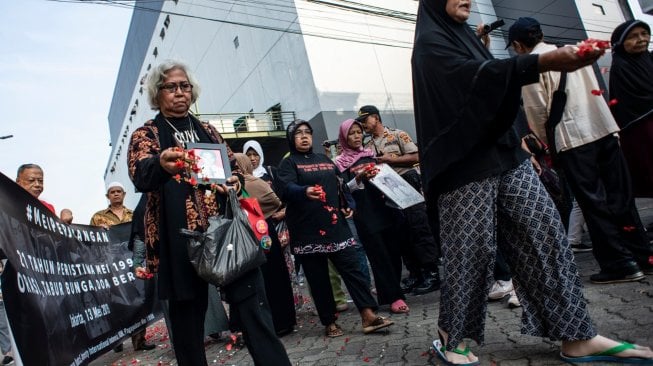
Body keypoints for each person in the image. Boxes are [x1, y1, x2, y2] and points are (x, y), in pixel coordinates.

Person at [411, 1, 653, 364]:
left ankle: (576, 334)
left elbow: (496, 85)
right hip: (464, 163)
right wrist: (542, 62)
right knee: (472, 250)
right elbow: (472, 79)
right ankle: (453, 337)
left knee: (545, 235)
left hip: (508, 153)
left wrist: (521, 135)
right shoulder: (430, 43)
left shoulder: (465, 36)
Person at [127, 60, 290, 366]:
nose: (179, 93)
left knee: (254, 310)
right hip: (180, 241)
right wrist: (161, 163)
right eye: (171, 87)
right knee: (188, 325)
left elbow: (235, 171)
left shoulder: (210, 132)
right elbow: (140, 173)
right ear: (157, 92)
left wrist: (234, 180)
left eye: (185, 86)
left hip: (227, 232)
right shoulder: (146, 134)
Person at [509, 17, 653, 282]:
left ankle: (620, 264)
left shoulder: (532, 67)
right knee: (621, 198)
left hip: (573, 140)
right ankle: (644, 255)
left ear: (518, 45)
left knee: (594, 204)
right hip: (604, 129)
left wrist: (546, 144)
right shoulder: (573, 51)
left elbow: (537, 112)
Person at [276, 119, 393, 338]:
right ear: (291, 138)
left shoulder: (324, 159)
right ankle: (329, 321)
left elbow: (339, 184)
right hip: (307, 230)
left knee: (353, 271)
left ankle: (368, 315)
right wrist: (304, 190)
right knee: (319, 279)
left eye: (307, 133)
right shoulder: (288, 164)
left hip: (335, 226)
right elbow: (286, 188)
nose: (304, 137)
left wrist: (348, 204)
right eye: (298, 133)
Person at [358, 105, 441, 295]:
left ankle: (431, 274)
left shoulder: (397, 135)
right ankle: (415, 274)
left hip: (406, 182)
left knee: (418, 227)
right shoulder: (368, 146)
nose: (363, 125)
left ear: (376, 118)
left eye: (366, 120)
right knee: (401, 233)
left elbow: (417, 156)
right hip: (386, 188)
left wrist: (391, 160)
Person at [335, 118, 409, 314]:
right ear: (344, 137)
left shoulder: (371, 155)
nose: (357, 136)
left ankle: (391, 292)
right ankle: (394, 297)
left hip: (385, 208)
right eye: (352, 133)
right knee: (379, 255)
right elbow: (343, 191)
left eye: (359, 132)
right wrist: (358, 179)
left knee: (393, 252)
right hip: (364, 214)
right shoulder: (340, 163)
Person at [232, 153, 297, 336]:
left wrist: (252, 208)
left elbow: (274, 201)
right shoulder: (249, 181)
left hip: (253, 234)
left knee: (265, 277)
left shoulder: (245, 182)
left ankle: (271, 323)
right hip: (262, 230)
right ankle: (283, 321)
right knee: (273, 276)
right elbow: (273, 202)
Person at [89, 182, 155, 352]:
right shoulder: (98, 217)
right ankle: (116, 340)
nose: (116, 194)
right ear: (107, 196)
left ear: (124, 194)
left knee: (138, 301)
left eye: (119, 191)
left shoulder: (134, 214)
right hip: (112, 268)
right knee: (117, 303)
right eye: (112, 192)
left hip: (132, 265)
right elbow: (90, 241)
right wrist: (97, 230)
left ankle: (139, 342)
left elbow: (142, 234)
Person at [609, 20, 653, 199]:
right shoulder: (621, 67)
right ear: (620, 42)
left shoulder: (649, 59)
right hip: (643, 131)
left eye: (644, 33)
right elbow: (636, 100)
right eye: (633, 36)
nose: (642, 39)